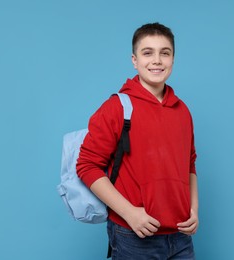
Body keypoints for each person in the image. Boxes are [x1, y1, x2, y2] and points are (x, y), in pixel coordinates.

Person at [76, 22, 198, 259]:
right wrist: (130, 213)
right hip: (134, 235)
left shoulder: (182, 111)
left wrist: (194, 209)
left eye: (165, 53)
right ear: (134, 60)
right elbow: (87, 166)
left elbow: (190, 165)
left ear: (173, 59)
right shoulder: (116, 108)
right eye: (147, 52)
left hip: (181, 235)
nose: (157, 60)